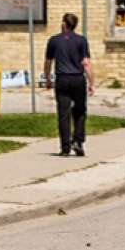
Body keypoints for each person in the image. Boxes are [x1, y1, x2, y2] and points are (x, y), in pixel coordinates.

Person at [43, 12, 94, 157]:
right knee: (80, 111)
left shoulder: (54, 40)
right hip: (78, 79)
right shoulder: (81, 40)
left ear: (64, 24)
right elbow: (86, 63)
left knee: (63, 114)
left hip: (62, 79)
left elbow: (48, 62)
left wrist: (48, 79)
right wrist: (92, 83)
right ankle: (78, 141)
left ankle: (65, 147)